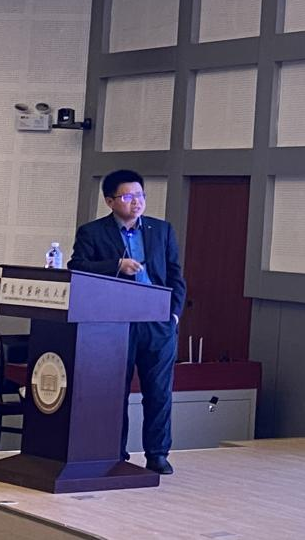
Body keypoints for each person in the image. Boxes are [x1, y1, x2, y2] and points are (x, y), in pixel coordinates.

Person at [69, 169, 186, 475]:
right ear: (110, 201)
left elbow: (175, 275)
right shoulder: (92, 232)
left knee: (159, 392)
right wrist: (116, 266)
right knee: (114, 391)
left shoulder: (161, 230)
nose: (137, 202)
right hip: (115, 325)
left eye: (140, 195)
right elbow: (77, 268)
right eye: (128, 196)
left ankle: (157, 454)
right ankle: (114, 452)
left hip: (157, 323)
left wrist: (173, 315)